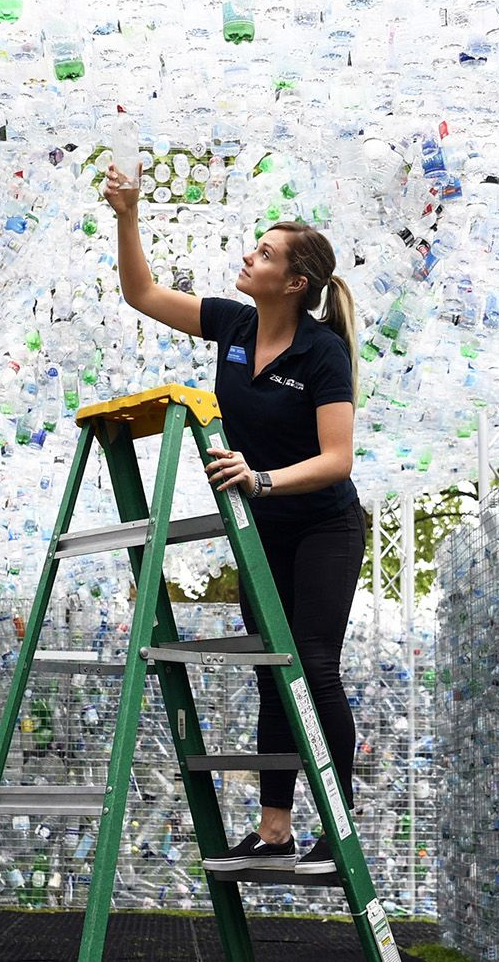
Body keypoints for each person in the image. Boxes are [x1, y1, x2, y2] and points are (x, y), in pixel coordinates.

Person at [100, 161, 364, 876]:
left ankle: (339, 828)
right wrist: (128, 214)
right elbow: (142, 292)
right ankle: (274, 827)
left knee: (313, 666)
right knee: (272, 672)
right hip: (263, 532)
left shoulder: (321, 352)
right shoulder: (232, 323)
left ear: (295, 282)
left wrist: (262, 477)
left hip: (324, 528)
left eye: (264, 253)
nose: (248, 258)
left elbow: (338, 457)